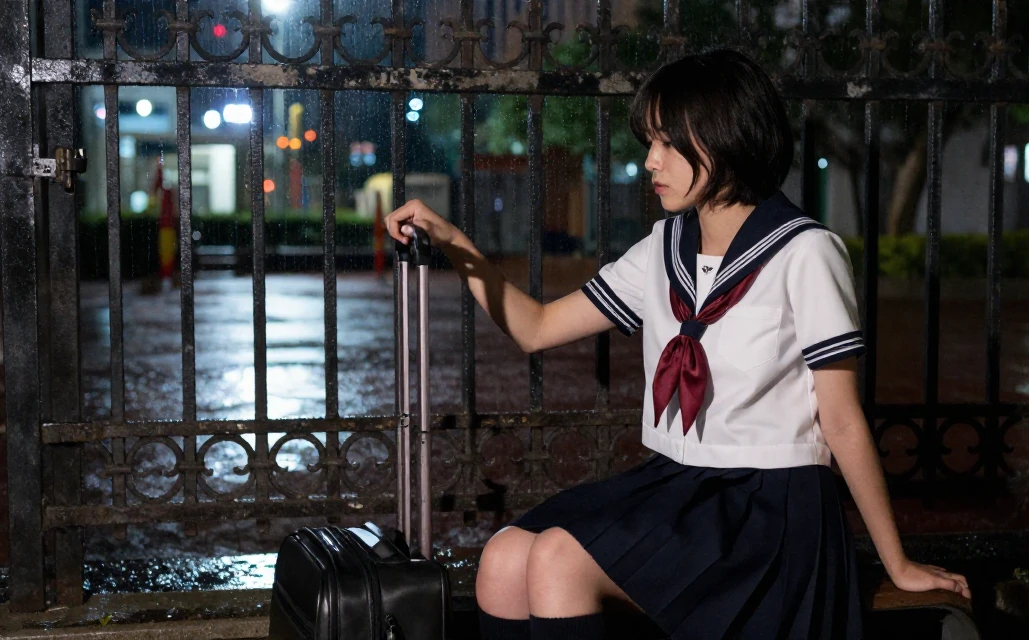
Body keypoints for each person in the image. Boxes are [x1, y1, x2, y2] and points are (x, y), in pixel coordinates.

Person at [386, 48, 970, 640]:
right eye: (650, 142)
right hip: (681, 486)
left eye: (666, 143)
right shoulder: (663, 248)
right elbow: (535, 328)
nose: (649, 162)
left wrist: (896, 563)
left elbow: (841, 420)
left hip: (770, 507)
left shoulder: (805, 252)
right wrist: (452, 241)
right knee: (505, 557)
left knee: (559, 558)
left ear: (722, 139)